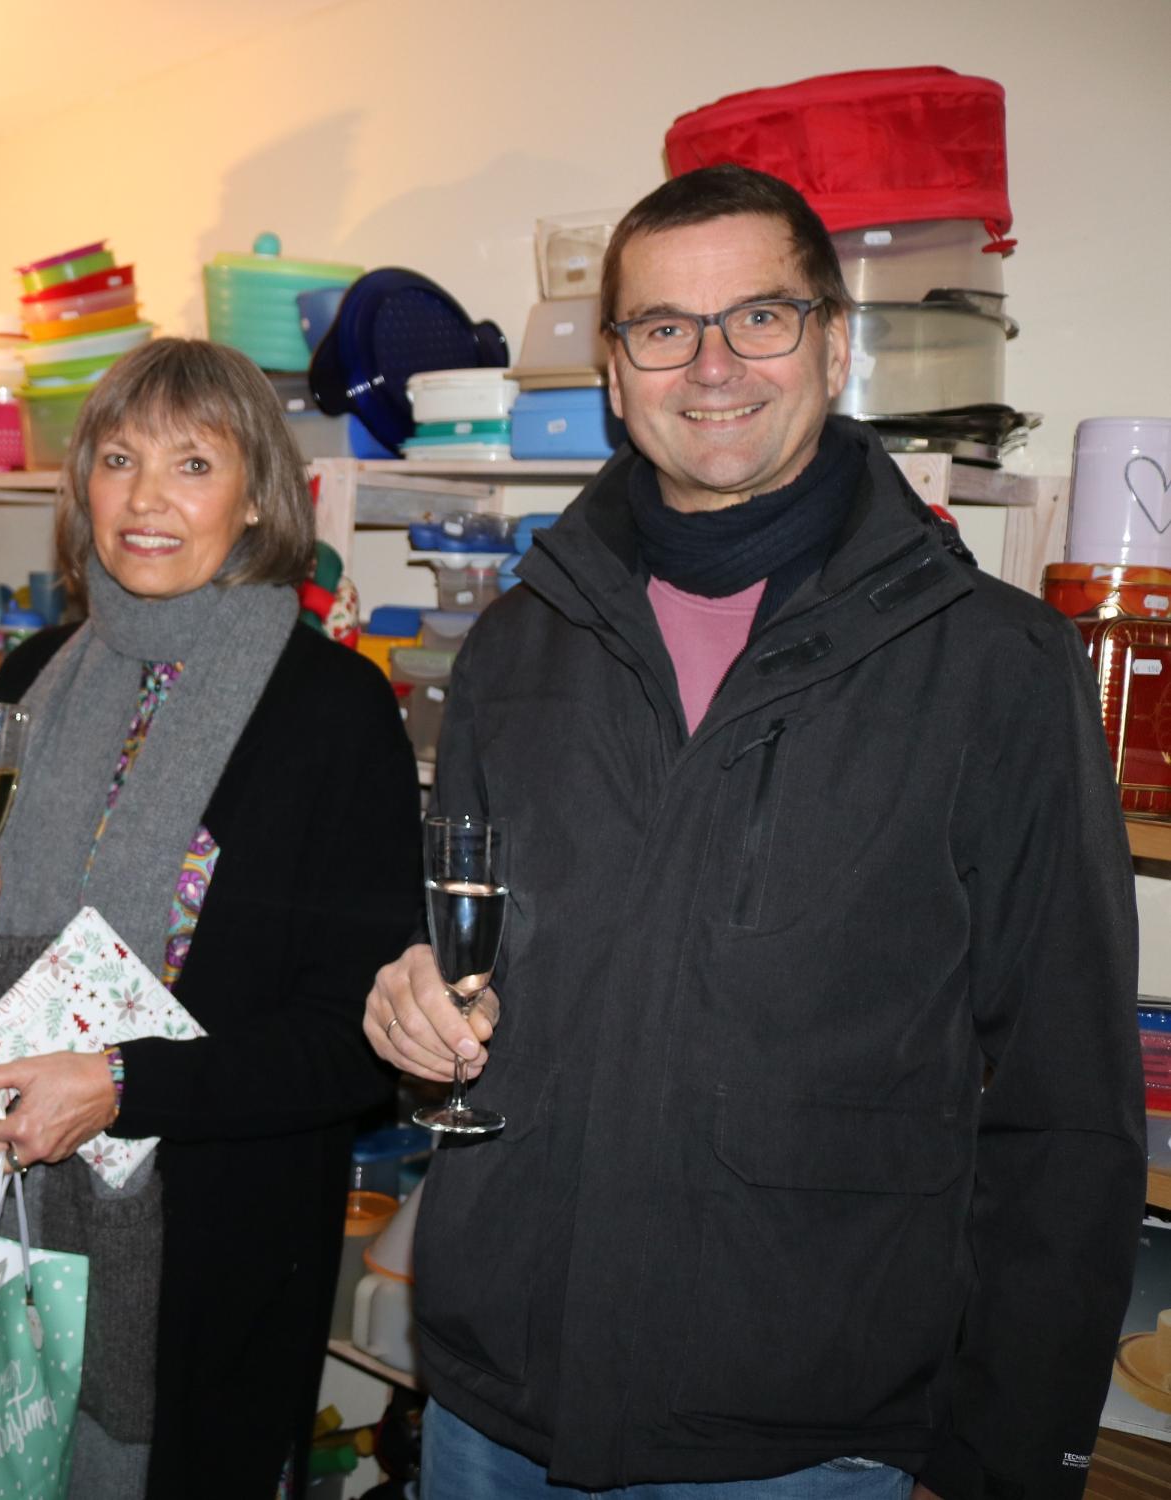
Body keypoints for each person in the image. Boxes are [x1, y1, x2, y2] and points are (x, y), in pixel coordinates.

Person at [366, 164, 1143, 1500]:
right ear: (614, 372)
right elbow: (468, 964)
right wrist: (408, 1007)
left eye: (758, 320)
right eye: (661, 328)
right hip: (493, 1408)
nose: (709, 365)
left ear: (833, 344)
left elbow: (1065, 1112)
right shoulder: (513, 648)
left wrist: (1010, 1457)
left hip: (800, 1436)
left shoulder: (993, 667)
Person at [0, 337, 423, 1497]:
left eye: (192, 464)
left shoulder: (332, 710)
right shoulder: (34, 672)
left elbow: (355, 1036)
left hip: (208, 1246)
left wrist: (126, 1086)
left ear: (254, 500)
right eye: (119, 458)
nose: (145, 499)